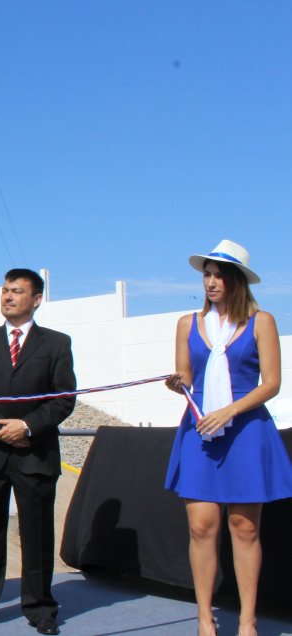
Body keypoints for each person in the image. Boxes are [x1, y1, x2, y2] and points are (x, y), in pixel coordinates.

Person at [164, 240, 292, 636]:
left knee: (244, 527)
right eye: (207, 275)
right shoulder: (187, 323)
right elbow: (186, 378)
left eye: (220, 276)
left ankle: (248, 621)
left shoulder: (262, 321)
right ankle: (205, 618)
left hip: (246, 431)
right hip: (200, 429)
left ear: (238, 281)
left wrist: (230, 410)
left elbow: (271, 383)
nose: (211, 282)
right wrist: (177, 384)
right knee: (201, 527)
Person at [0, 268, 75, 636]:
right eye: (5, 290)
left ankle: (40, 607)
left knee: (36, 534)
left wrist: (26, 426)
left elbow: (63, 399)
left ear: (36, 299)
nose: (8, 297)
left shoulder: (56, 344)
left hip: (35, 453)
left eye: (17, 291)